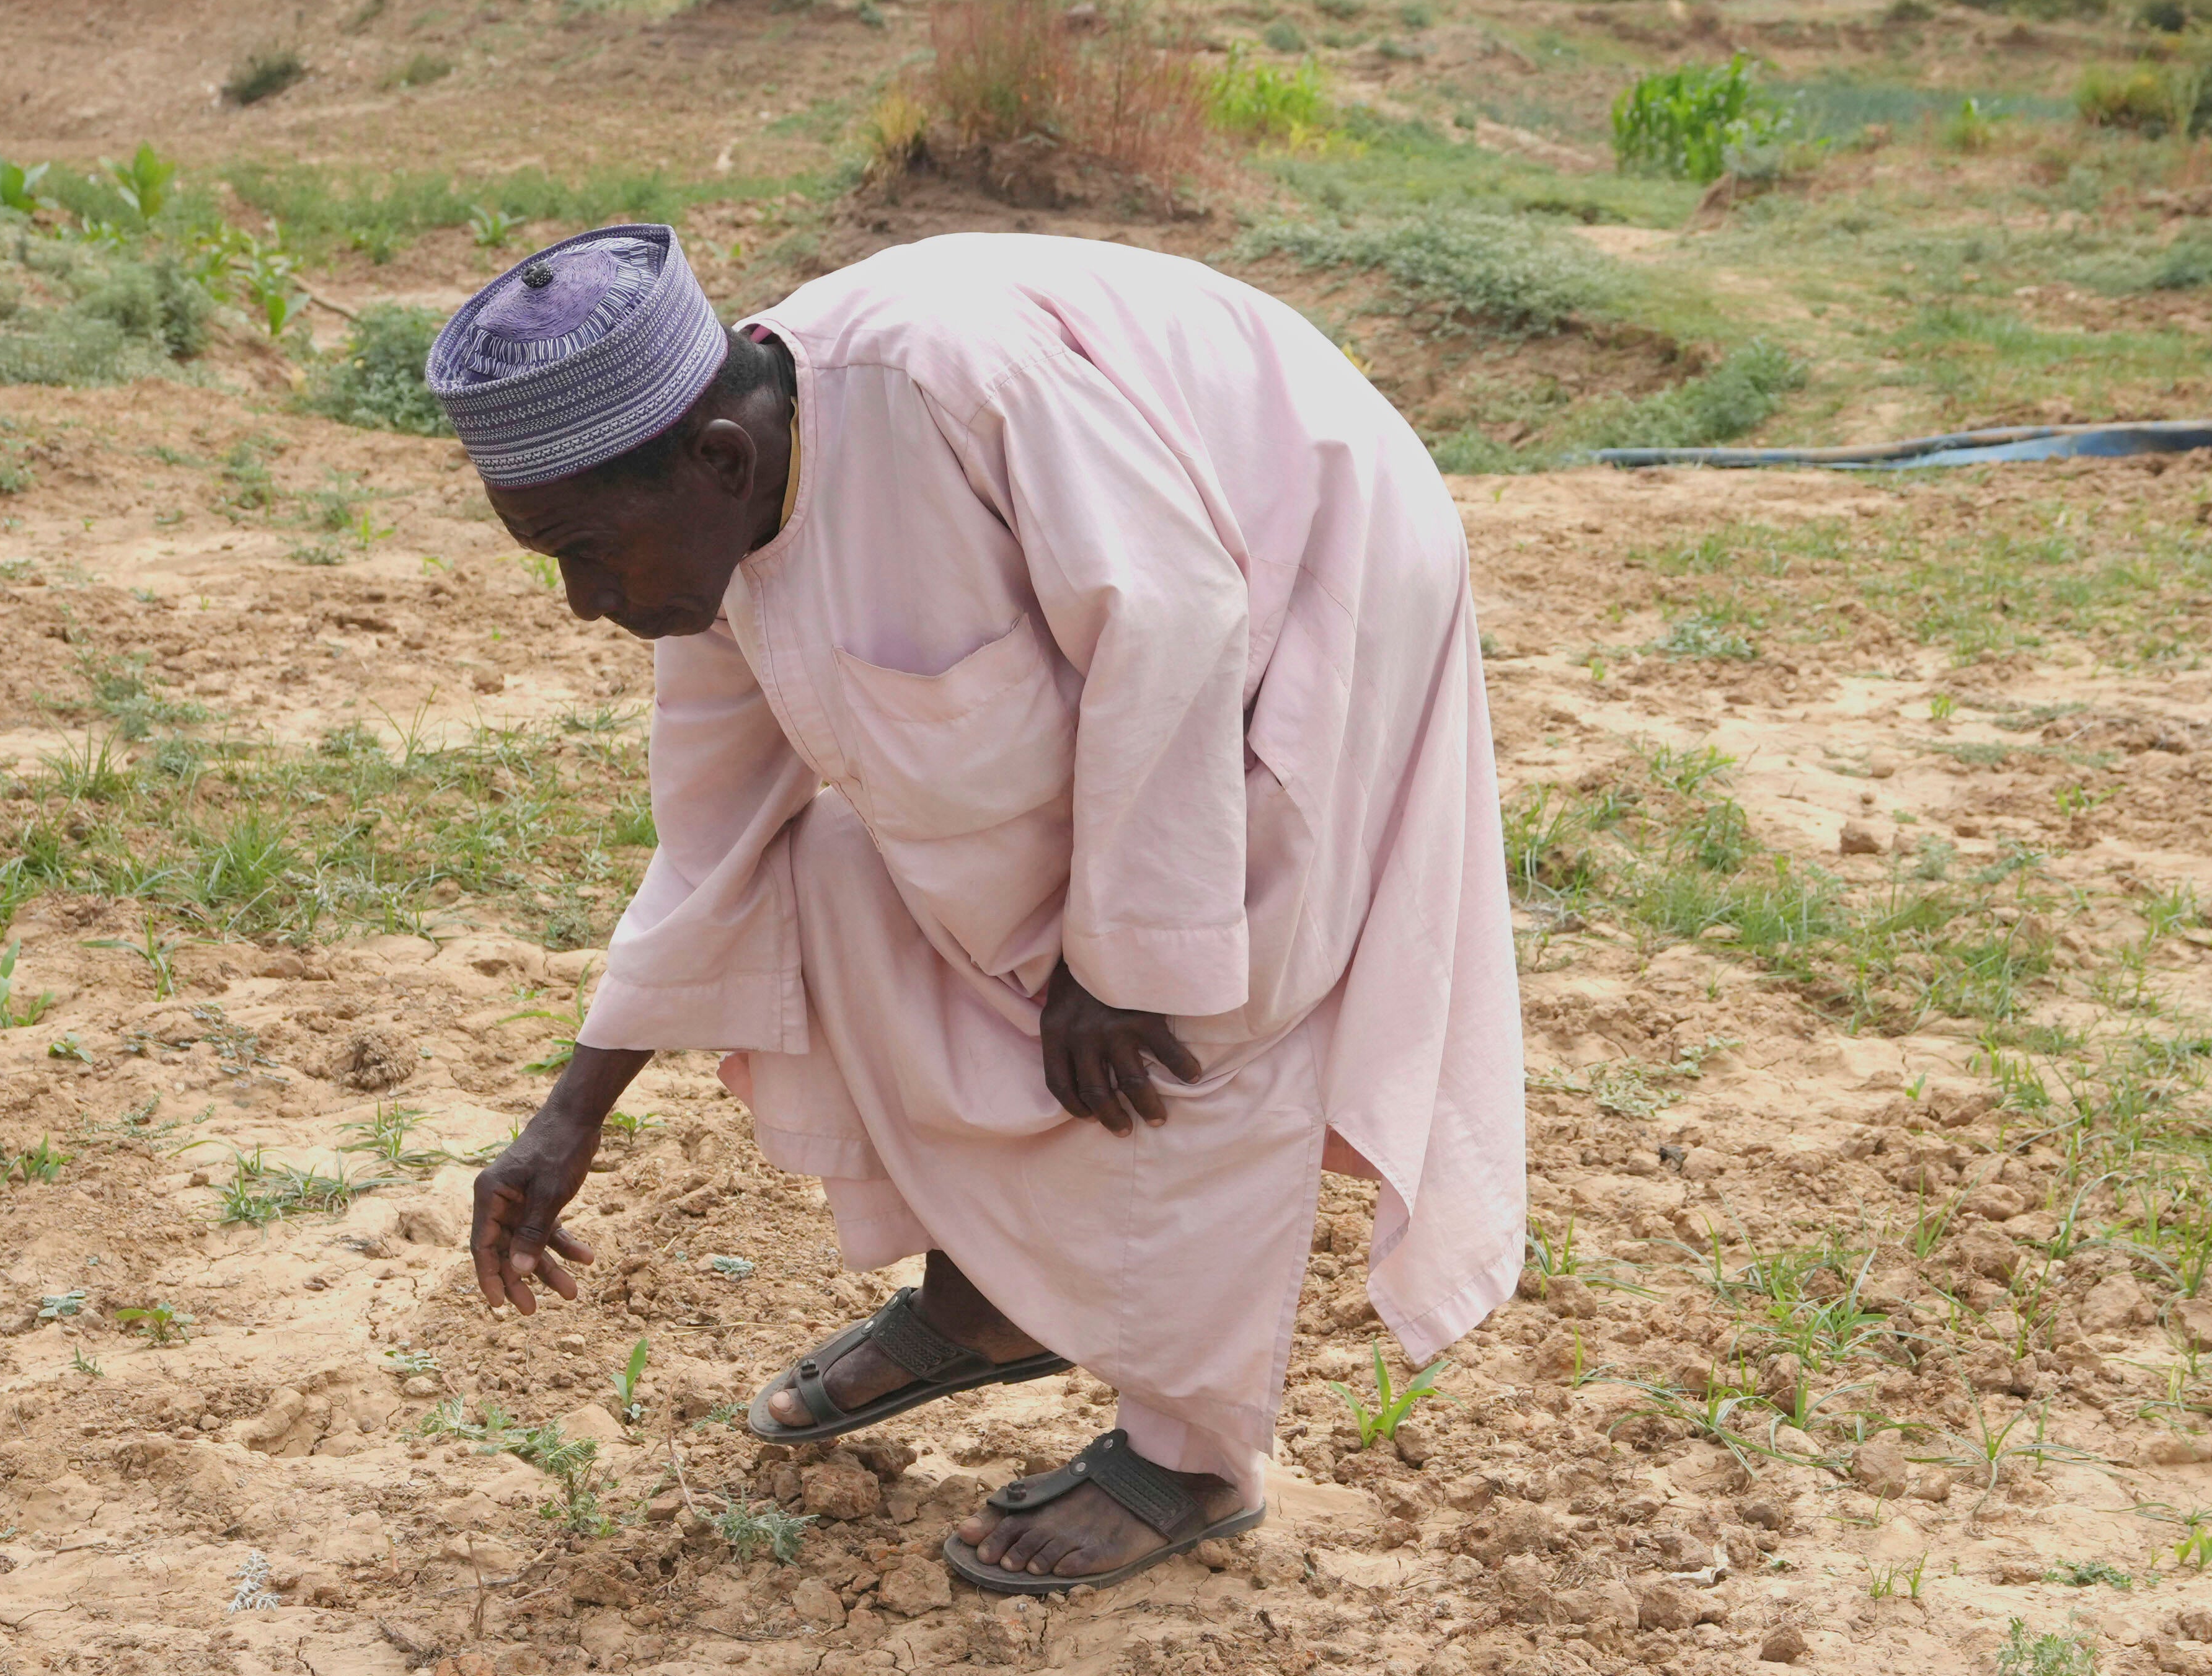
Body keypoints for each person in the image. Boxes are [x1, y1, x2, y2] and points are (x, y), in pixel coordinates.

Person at [441, 223, 1523, 1597]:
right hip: (1158, 630)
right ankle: (992, 1304)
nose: (585, 602)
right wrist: (570, 1109)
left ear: (716, 461)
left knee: (1209, 987)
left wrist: (1126, 956)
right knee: (833, 874)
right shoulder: (714, 539)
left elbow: (1179, 613)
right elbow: (712, 845)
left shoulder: (955, 386)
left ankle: (1193, 1456)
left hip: (1310, 560)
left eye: (589, 553)